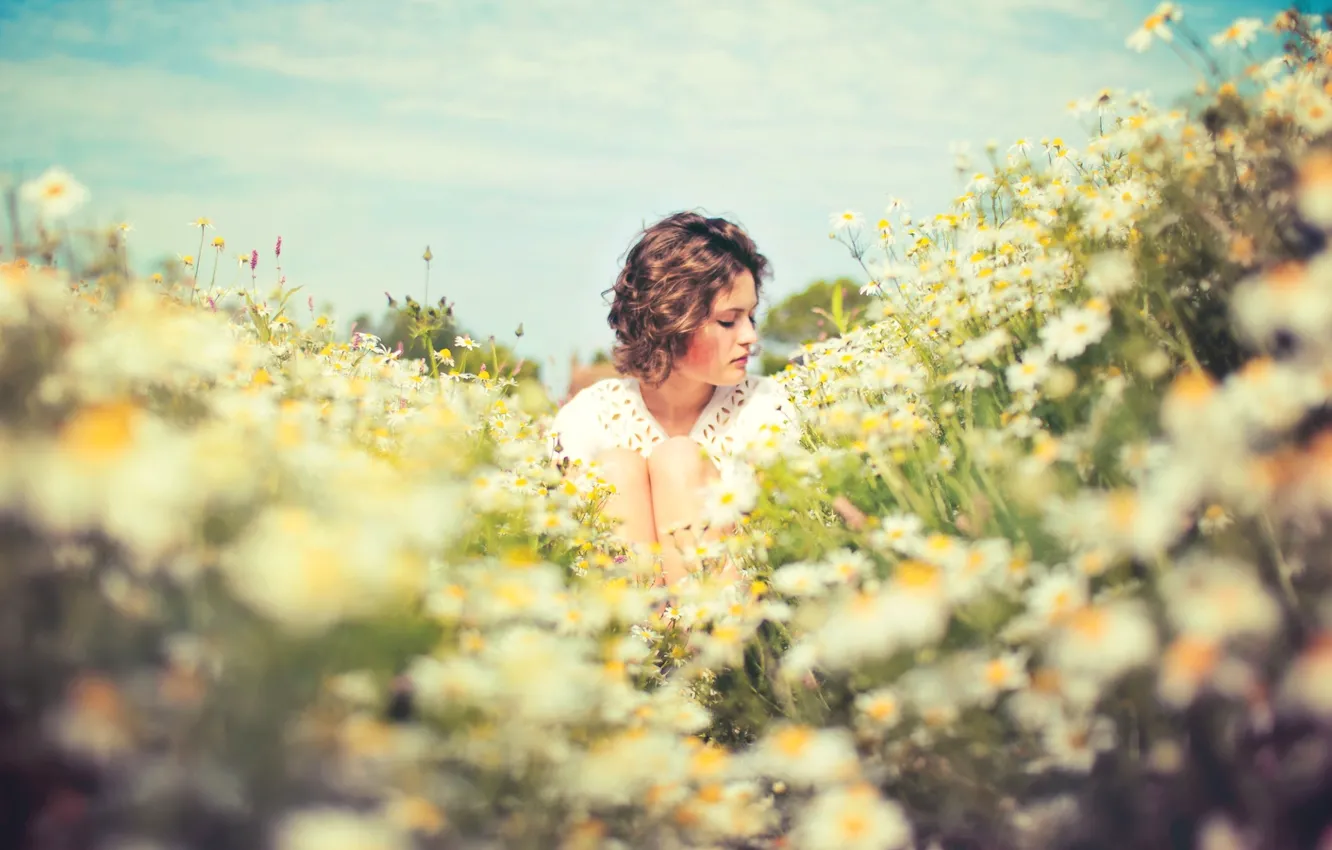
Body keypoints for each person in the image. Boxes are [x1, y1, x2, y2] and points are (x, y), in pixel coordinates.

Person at [548, 211, 796, 590]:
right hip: (621, 630)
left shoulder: (767, 407)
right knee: (615, 469)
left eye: (751, 317)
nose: (749, 337)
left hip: (741, 629)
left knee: (679, 459)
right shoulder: (589, 417)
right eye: (729, 321)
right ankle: (651, 643)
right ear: (670, 320)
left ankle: (694, 647)